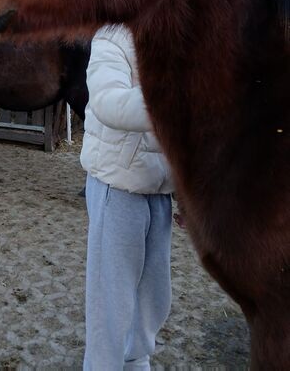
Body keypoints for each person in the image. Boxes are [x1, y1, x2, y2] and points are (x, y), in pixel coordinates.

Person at [81, 25, 174, 371]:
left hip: (159, 189)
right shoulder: (111, 37)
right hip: (116, 186)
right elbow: (109, 103)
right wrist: (179, 99)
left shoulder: (173, 37)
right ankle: (103, 365)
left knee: (154, 293)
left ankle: (136, 359)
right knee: (112, 295)